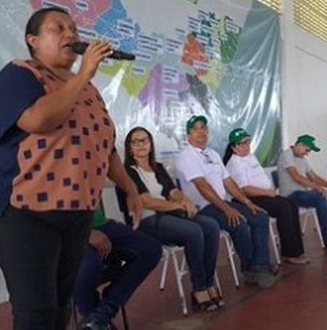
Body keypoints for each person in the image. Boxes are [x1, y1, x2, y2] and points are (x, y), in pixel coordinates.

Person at [0, 6, 143, 330]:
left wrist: (130, 188)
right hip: (23, 212)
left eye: (73, 29)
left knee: (60, 307)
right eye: (58, 28)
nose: (71, 34)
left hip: (76, 215)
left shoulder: (89, 91)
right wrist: (83, 74)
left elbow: (104, 148)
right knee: (35, 313)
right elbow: (39, 119)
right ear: (33, 40)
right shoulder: (19, 74)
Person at [123, 126, 223, 311]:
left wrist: (185, 200)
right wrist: (178, 205)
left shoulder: (158, 167)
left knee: (211, 226)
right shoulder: (127, 171)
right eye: (135, 142)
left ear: (151, 144)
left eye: (144, 140)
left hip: (168, 215)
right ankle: (199, 288)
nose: (140, 145)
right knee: (193, 231)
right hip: (146, 221)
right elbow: (146, 201)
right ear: (129, 148)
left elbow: (173, 191)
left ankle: (209, 283)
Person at [175, 115, 278, 288]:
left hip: (221, 203)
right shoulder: (187, 156)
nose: (201, 132)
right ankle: (250, 270)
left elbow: (228, 182)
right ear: (188, 136)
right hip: (203, 208)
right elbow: (202, 186)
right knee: (239, 222)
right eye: (196, 129)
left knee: (259, 216)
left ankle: (260, 264)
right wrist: (227, 209)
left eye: (204, 128)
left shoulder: (212, 154)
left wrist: (246, 202)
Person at [224, 128, 309, 265]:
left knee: (291, 204)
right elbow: (245, 189)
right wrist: (267, 192)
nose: (246, 146)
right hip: (251, 198)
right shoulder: (234, 163)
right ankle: (290, 253)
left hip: (264, 195)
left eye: (247, 142)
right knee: (284, 208)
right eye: (241, 143)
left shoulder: (250, 157)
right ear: (234, 148)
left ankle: (298, 250)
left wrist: (269, 190)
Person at [73, 207, 161, 329]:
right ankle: (95, 321)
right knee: (85, 269)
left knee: (150, 249)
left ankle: (101, 314)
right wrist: (85, 233)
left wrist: (131, 193)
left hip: (97, 224)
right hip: (68, 233)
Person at [277, 134, 327, 249]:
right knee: (320, 198)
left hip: (303, 193)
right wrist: (318, 188)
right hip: (290, 195)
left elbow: (314, 177)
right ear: (300, 145)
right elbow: (296, 177)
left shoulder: (302, 159)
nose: (307, 153)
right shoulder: (287, 155)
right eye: (307, 150)